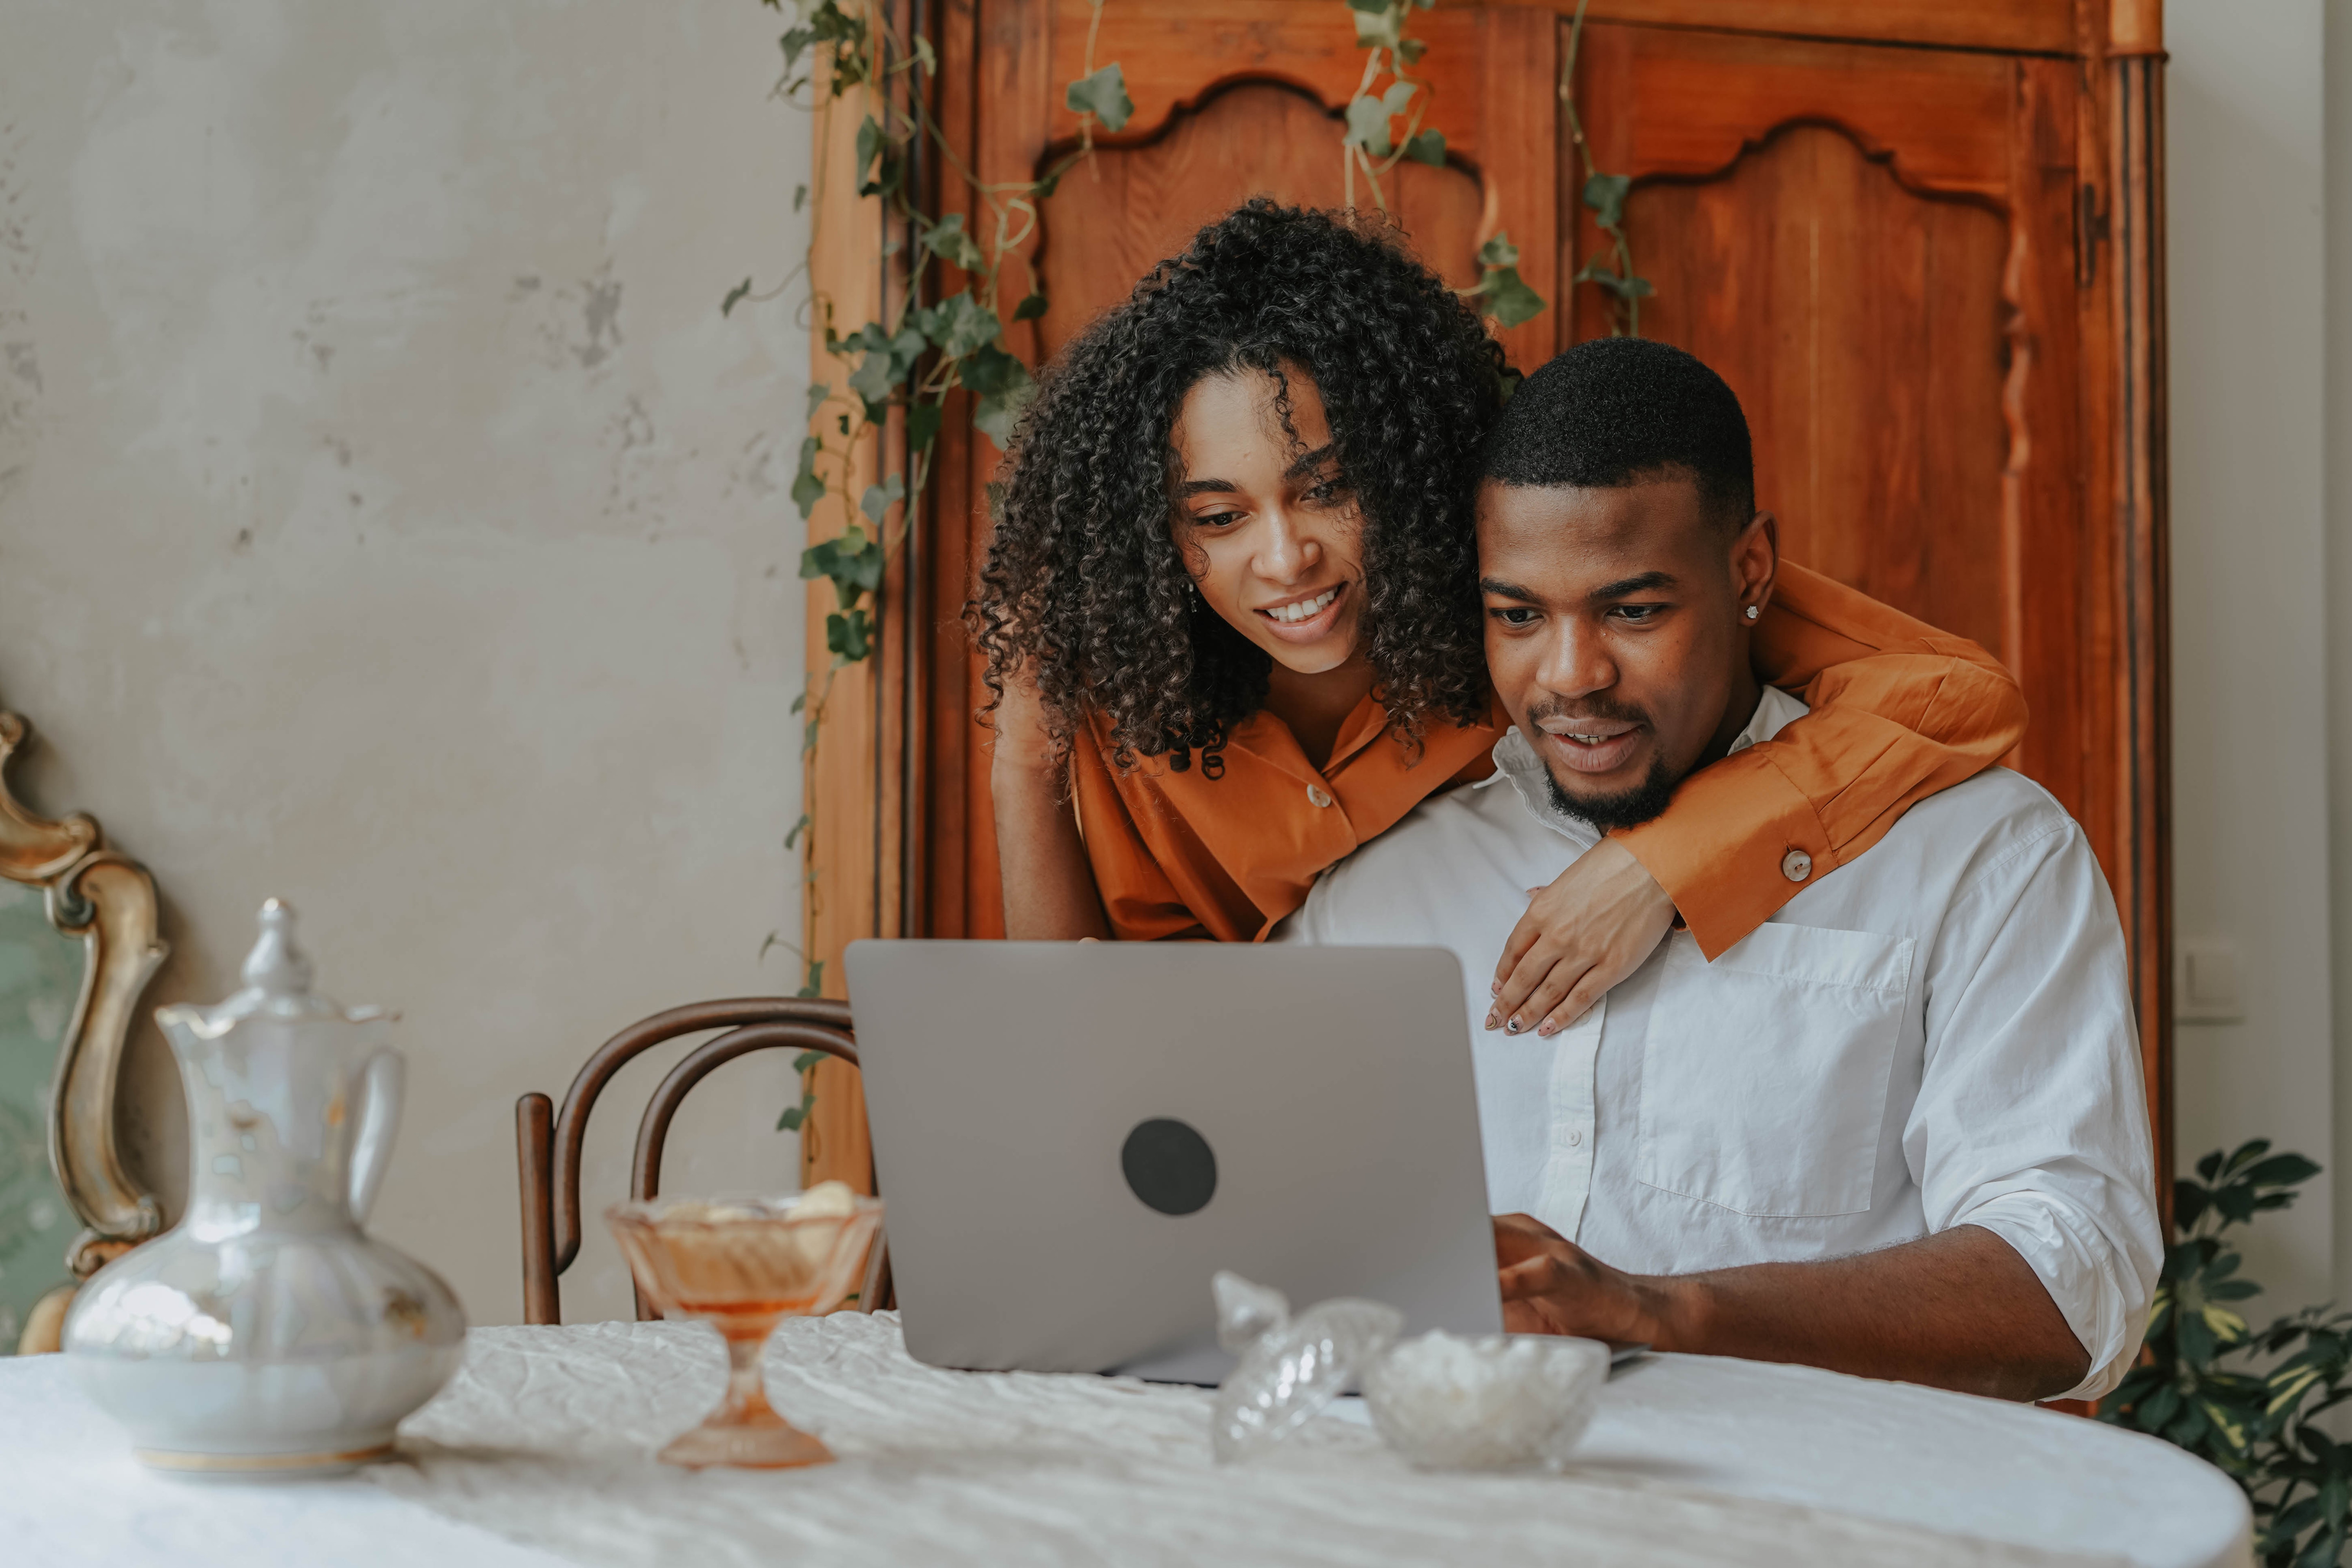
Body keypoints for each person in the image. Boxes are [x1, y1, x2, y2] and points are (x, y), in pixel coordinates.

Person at [1278, 338, 2161, 1403]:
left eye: (1633, 610)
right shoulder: (1374, 888)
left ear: (1749, 572)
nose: (1571, 678)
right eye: (1517, 614)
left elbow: (2075, 1287)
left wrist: (1662, 1312)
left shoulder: (1984, 857)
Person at [972, 201, 2028, 1034]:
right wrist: (1025, 761)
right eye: (1219, 515)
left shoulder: (1539, 618)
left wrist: (1664, 860)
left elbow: (1958, 696)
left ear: (1401, 464)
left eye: (1330, 490)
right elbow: (1098, 1039)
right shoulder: (1140, 694)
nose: (1284, 556)